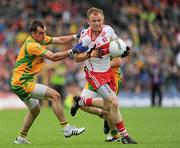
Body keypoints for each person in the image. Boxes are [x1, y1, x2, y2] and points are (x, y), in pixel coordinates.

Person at [10, 20, 85, 144]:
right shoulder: (32, 45)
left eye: (45, 32)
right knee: (55, 96)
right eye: (40, 33)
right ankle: (66, 128)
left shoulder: (40, 39)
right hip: (22, 83)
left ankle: (21, 138)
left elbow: (59, 40)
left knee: (35, 110)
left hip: (19, 81)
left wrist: (75, 36)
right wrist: (72, 51)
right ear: (32, 34)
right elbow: (53, 57)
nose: (44, 35)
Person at [70, 7, 137, 144]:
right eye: (94, 21)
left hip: (109, 74)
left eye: (99, 20)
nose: (97, 23)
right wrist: (89, 54)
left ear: (103, 20)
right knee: (114, 102)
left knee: (110, 107)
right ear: (88, 21)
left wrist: (123, 49)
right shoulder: (86, 38)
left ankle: (84, 103)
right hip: (95, 74)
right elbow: (77, 58)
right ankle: (124, 137)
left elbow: (117, 44)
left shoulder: (109, 30)